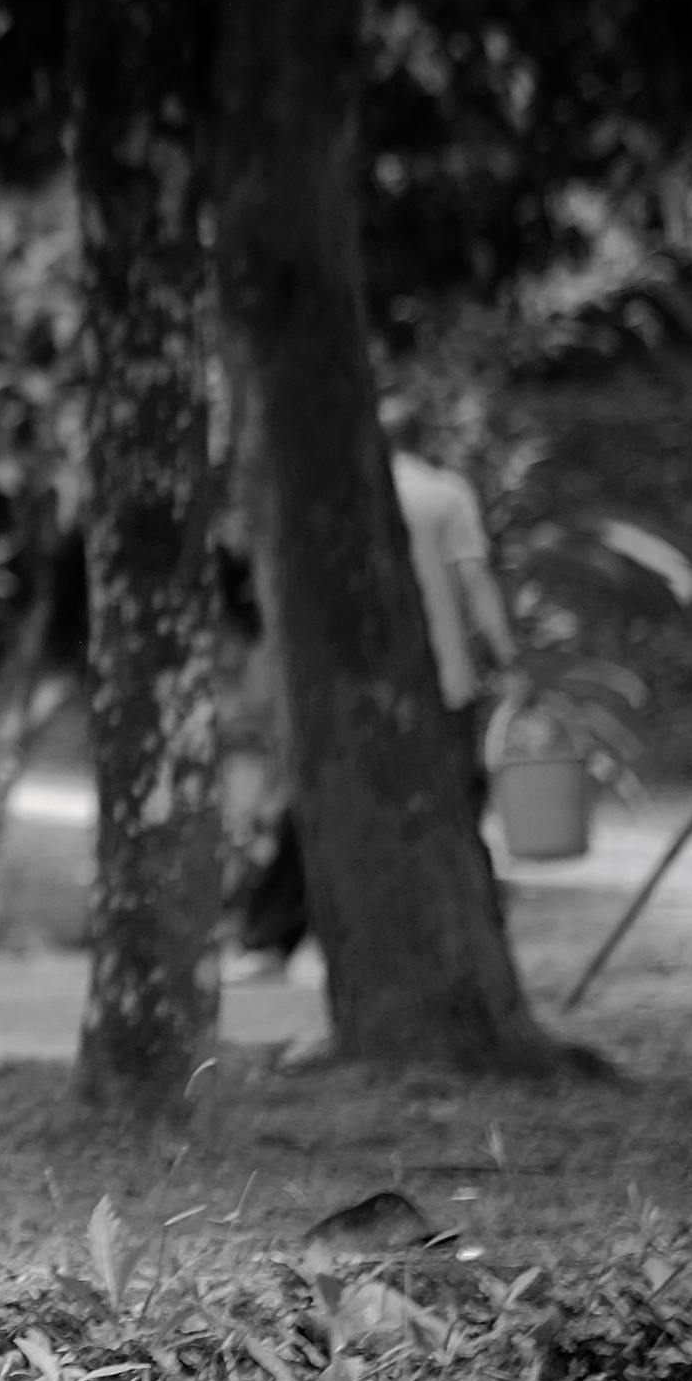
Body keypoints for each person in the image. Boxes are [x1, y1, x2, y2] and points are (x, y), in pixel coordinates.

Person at [230, 399, 515, 967]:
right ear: (422, 437)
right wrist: (507, 654)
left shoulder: (337, 494)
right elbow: (474, 580)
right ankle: (462, 931)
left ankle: (271, 934)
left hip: (353, 681)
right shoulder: (444, 494)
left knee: (326, 796)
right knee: (454, 803)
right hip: (443, 680)